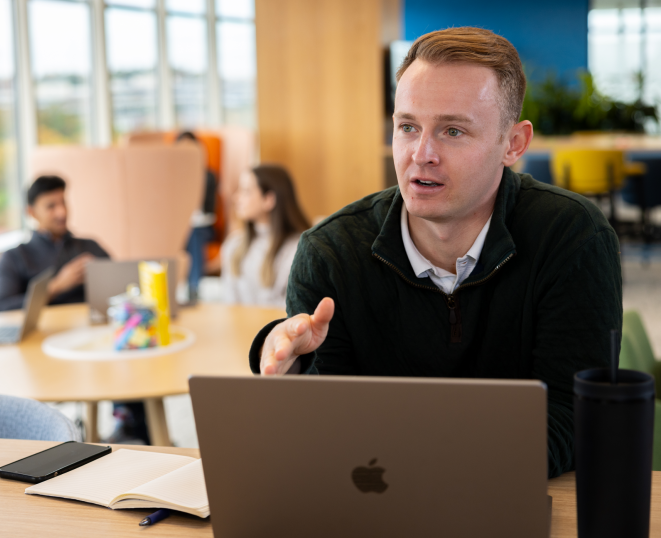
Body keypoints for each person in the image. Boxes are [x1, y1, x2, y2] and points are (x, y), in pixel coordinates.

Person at [250, 27, 621, 479]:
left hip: (507, 504)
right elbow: (326, 436)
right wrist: (294, 382)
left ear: (513, 144)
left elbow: (576, 419)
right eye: (407, 127)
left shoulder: (572, 237)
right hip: (375, 509)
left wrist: (421, 464)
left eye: (452, 130)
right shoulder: (329, 252)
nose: (421, 154)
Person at [0, 175, 110, 312]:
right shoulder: (15, 257)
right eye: (51, 206)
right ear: (32, 212)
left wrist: (101, 275)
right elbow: (2, 308)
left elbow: (121, 289)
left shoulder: (90, 247)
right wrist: (56, 286)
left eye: (63, 203)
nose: (62, 212)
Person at [221, 165, 310, 308]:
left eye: (246, 191)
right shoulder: (233, 245)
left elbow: (296, 309)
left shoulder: (299, 250)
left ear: (269, 199)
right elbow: (229, 302)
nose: (236, 198)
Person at [176, 131, 218, 303]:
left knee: (193, 234)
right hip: (180, 227)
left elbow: (209, 210)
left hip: (204, 226)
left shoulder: (208, 176)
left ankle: (193, 288)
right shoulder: (171, 177)